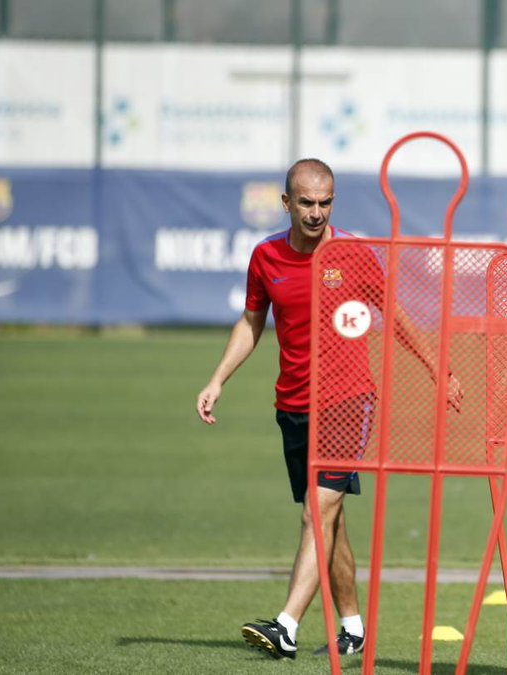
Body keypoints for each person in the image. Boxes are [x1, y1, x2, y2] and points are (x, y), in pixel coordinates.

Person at [196, 158, 462, 659]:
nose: (316, 213)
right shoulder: (265, 257)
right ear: (286, 203)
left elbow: (396, 316)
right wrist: (217, 380)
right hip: (292, 405)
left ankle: (287, 625)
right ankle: (354, 629)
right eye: (306, 203)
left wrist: (439, 370)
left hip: (347, 403)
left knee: (317, 515)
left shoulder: (353, 255)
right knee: (329, 521)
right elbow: (251, 322)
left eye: (325, 203)